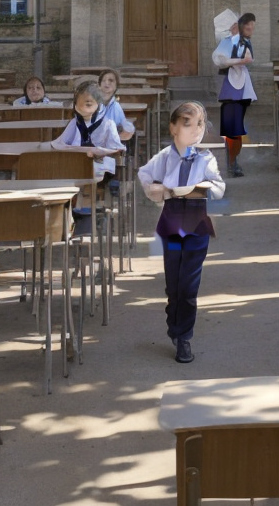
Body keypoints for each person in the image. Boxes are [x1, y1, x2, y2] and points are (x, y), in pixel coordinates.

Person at [137, 101, 225, 364]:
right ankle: (173, 314)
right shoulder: (164, 157)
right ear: (173, 128)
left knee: (189, 285)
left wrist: (205, 186)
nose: (194, 130)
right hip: (172, 226)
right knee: (174, 282)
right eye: (187, 124)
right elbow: (144, 175)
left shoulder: (206, 157)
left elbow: (219, 187)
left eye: (199, 124)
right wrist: (155, 190)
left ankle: (184, 337)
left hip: (197, 225)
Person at [212, 11, 257, 177]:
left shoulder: (242, 42)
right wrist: (239, 61)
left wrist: (241, 61)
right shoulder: (227, 42)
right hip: (232, 86)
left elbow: (249, 59)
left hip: (240, 85)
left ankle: (233, 161)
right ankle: (232, 163)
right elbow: (218, 59)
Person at [52, 79, 125, 179]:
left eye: (88, 104)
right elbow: (60, 143)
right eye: (79, 104)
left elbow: (116, 150)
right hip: (77, 164)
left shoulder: (107, 124)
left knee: (93, 174)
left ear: (99, 104)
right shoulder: (75, 122)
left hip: (101, 167)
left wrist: (101, 152)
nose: (82, 108)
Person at [97, 68, 136, 143]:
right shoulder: (93, 103)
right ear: (99, 85)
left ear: (116, 86)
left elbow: (125, 128)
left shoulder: (116, 107)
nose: (107, 83)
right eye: (104, 80)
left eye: (110, 80)